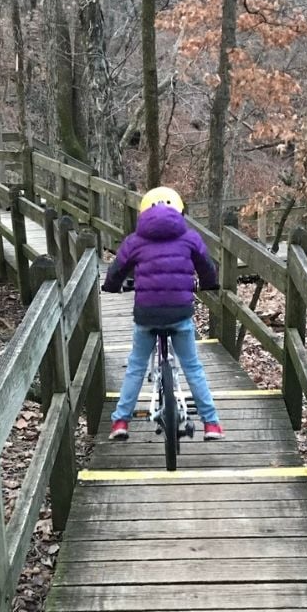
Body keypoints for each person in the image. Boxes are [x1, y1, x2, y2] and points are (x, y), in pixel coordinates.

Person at [102, 186, 223, 441]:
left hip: (147, 315)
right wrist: (210, 283)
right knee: (192, 367)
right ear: (179, 210)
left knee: (136, 366)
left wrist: (111, 287)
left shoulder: (135, 240)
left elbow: (116, 270)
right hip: (180, 312)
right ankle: (211, 424)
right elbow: (207, 266)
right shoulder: (190, 238)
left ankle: (121, 421)